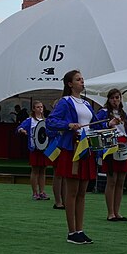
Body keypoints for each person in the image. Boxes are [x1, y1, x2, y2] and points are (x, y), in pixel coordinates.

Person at [46, 69, 97, 244]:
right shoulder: (65, 102)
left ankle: (80, 230)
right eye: (78, 80)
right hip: (72, 148)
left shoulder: (87, 103)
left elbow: (93, 124)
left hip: (86, 147)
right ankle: (71, 231)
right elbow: (50, 122)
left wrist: (110, 123)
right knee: (72, 191)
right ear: (70, 84)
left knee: (83, 191)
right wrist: (68, 125)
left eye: (83, 79)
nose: (82, 82)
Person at [95, 88, 127, 221]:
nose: (115, 100)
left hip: (123, 145)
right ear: (108, 99)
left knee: (121, 181)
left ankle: (117, 212)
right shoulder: (103, 112)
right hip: (111, 144)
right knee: (112, 180)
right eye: (113, 98)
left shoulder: (123, 113)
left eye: (117, 98)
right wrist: (108, 124)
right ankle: (110, 212)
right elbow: (96, 128)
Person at [17, 101, 51, 200]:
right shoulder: (30, 120)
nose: (40, 109)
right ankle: (34, 192)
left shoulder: (46, 120)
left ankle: (42, 192)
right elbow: (20, 127)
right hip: (34, 148)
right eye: (37, 107)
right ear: (33, 109)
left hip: (44, 148)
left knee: (43, 170)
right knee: (35, 170)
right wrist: (22, 130)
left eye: (41, 107)